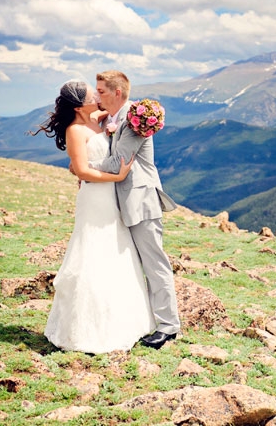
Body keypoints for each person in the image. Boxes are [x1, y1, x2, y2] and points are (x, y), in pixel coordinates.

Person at [33, 80, 156, 354]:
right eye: (93, 95)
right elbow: (82, 171)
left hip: (111, 198)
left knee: (117, 250)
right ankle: (85, 330)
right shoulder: (75, 130)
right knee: (93, 251)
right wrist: (118, 175)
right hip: (94, 198)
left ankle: (125, 322)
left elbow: (118, 114)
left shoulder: (99, 119)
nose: (98, 97)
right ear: (79, 106)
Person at [89, 70, 180, 349]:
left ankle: (168, 327)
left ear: (118, 93)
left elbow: (119, 161)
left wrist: (87, 168)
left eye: (102, 91)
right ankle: (143, 320)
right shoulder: (116, 118)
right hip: (123, 203)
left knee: (154, 264)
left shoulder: (134, 119)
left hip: (141, 202)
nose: (97, 96)